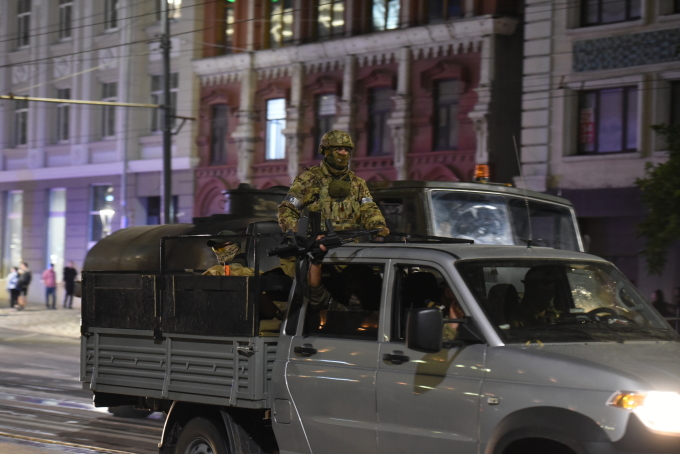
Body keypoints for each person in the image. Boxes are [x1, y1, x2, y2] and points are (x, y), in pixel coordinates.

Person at [278, 130, 389, 236]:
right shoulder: (308, 181)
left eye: (347, 149)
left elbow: (369, 208)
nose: (343, 153)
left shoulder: (357, 184)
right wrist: (302, 236)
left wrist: (378, 225)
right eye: (339, 149)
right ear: (326, 151)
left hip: (350, 247)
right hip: (317, 249)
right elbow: (287, 210)